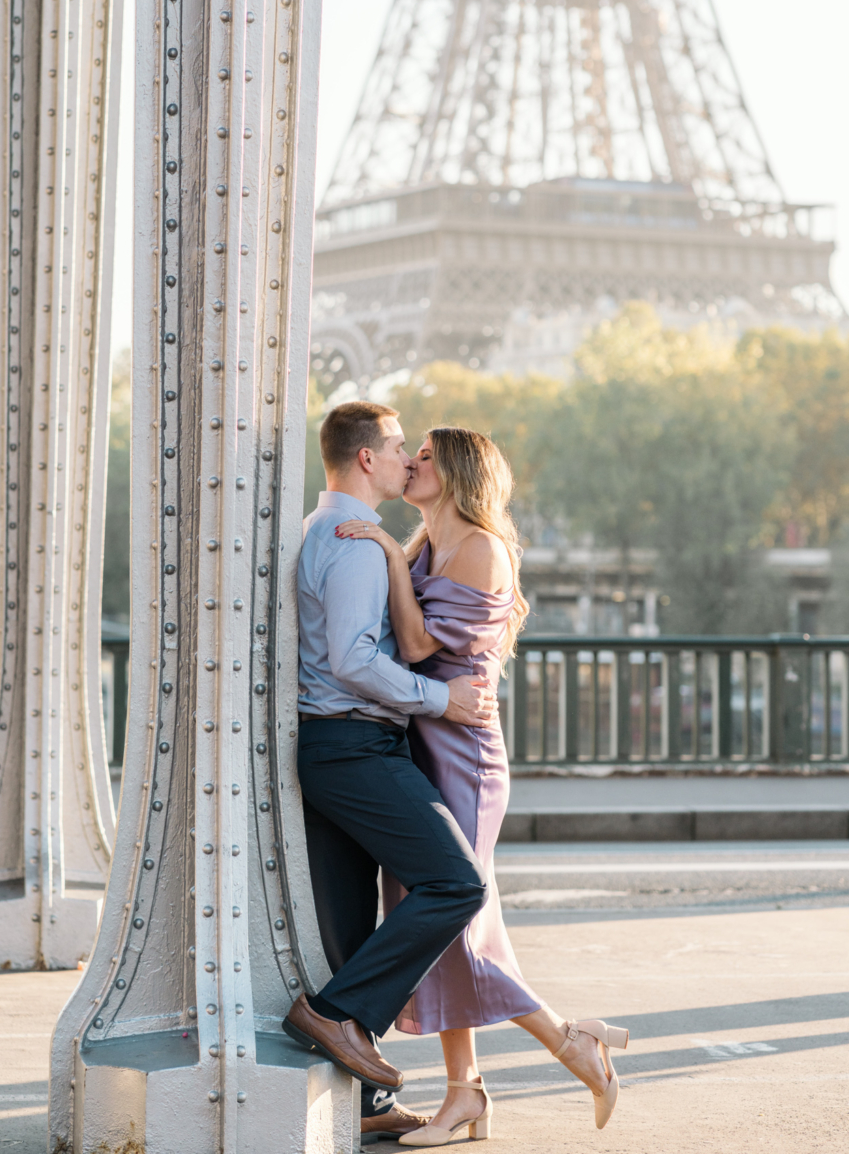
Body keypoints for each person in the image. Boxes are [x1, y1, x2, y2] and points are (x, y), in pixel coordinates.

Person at [336, 426, 629, 1143]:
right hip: (427, 742)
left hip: (462, 754)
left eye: (427, 455)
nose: (412, 462)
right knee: (437, 920)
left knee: (451, 923)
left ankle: (569, 1040)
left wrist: (376, 548)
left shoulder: (477, 546)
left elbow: (412, 645)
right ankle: (464, 1093)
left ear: (460, 470)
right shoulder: (428, 545)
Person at [286, 400, 498, 1144]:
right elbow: (353, 660)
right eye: (402, 447)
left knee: (350, 924)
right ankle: (337, 1015)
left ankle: (363, 1103)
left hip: (341, 746)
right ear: (368, 459)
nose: (410, 459)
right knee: (457, 882)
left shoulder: (350, 536)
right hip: (354, 746)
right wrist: (443, 698)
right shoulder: (349, 545)